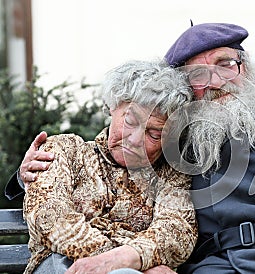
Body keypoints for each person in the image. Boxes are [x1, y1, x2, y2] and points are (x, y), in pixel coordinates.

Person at [6, 23, 255, 274]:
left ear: (247, 65)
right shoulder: (180, 139)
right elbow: (116, 157)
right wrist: (30, 175)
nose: (216, 81)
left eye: (226, 63)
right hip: (215, 267)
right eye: (198, 75)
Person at [19, 60, 197, 274]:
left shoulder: (170, 174)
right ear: (113, 107)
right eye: (131, 121)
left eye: (154, 134)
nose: (136, 139)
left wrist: (128, 264)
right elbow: (49, 217)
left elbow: (176, 231)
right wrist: (129, 262)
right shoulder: (66, 150)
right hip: (62, 265)